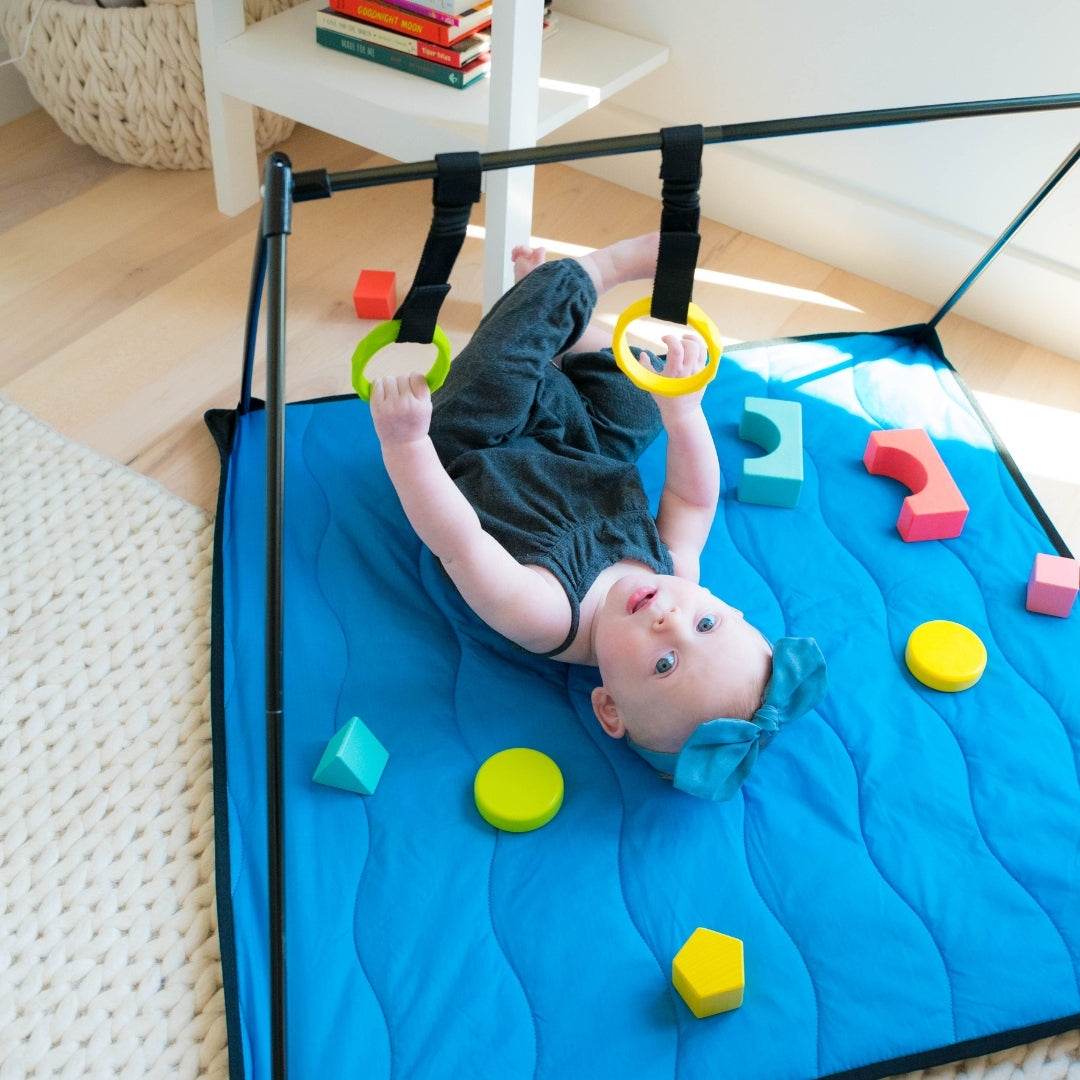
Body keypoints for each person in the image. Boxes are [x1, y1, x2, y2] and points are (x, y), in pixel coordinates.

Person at [369, 232, 826, 800]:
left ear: (609, 706)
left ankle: (592, 275)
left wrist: (406, 445)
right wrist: (683, 412)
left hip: (479, 446)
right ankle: (557, 327)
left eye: (664, 664)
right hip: (585, 446)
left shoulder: (547, 615)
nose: (671, 621)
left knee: (501, 367)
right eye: (705, 625)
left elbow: (459, 541)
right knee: (639, 401)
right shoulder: (677, 575)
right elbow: (693, 500)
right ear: (725, 606)